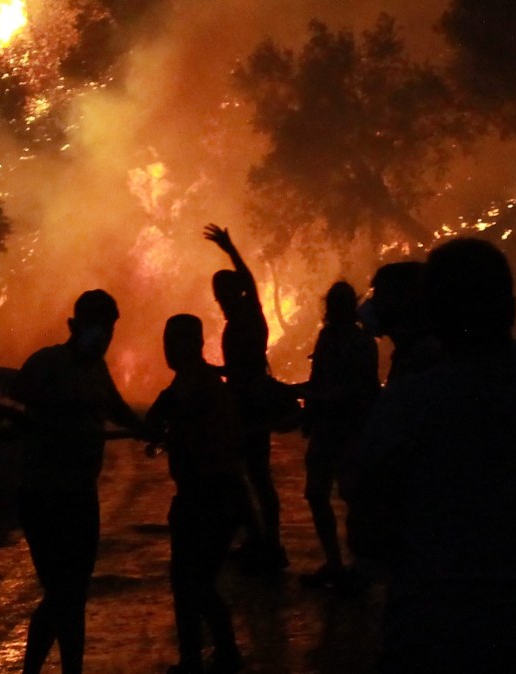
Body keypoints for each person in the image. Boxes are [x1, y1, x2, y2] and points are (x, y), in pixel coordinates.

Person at [345, 238, 516, 673]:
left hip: (432, 633)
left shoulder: (406, 407)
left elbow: (367, 532)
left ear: (433, 315)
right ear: (511, 309)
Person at [10, 289, 151, 674]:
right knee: (63, 592)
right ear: (74, 325)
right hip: (44, 496)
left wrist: (149, 430)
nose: (102, 337)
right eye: (96, 327)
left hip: (79, 496)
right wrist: (53, 417)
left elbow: (116, 408)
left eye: (108, 329)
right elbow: (14, 402)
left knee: (73, 592)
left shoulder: (96, 370)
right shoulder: (47, 363)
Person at [146, 314, 247, 674]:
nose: (168, 348)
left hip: (208, 495)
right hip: (214, 493)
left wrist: (150, 428)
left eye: (174, 341)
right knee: (196, 582)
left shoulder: (194, 380)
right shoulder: (201, 380)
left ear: (192, 344)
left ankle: (198, 659)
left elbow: (165, 408)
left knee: (192, 582)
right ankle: (223, 653)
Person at [203, 223, 287, 572]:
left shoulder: (249, 314)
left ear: (234, 293)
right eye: (217, 295)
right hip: (243, 402)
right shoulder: (243, 315)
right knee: (247, 474)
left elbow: (249, 280)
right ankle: (261, 539)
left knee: (252, 475)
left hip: (249, 405)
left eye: (222, 294)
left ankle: (267, 542)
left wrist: (230, 247)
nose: (219, 300)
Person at [295, 282, 378, 588]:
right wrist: (310, 408)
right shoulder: (328, 338)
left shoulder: (361, 342)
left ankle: (357, 565)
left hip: (348, 430)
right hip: (327, 428)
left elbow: (365, 389)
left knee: (351, 497)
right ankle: (335, 562)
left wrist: (324, 400)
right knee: (317, 495)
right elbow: (319, 379)